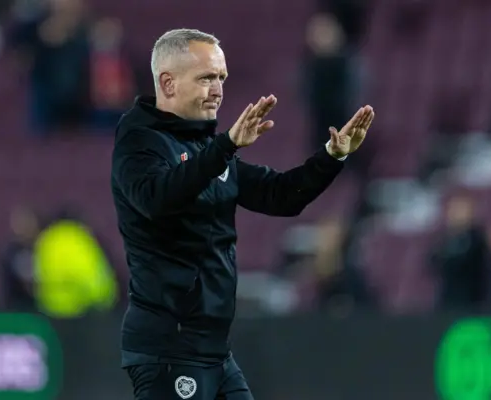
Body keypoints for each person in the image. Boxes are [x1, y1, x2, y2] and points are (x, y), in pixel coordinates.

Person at [111, 28, 374, 400]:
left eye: (221, 78)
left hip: (214, 350)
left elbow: (281, 196)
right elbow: (157, 198)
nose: (218, 88)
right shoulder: (139, 140)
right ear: (167, 83)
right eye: (206, 77)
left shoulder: (204, 147)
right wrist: (225, 147)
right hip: (169, 348)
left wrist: (332, 156)